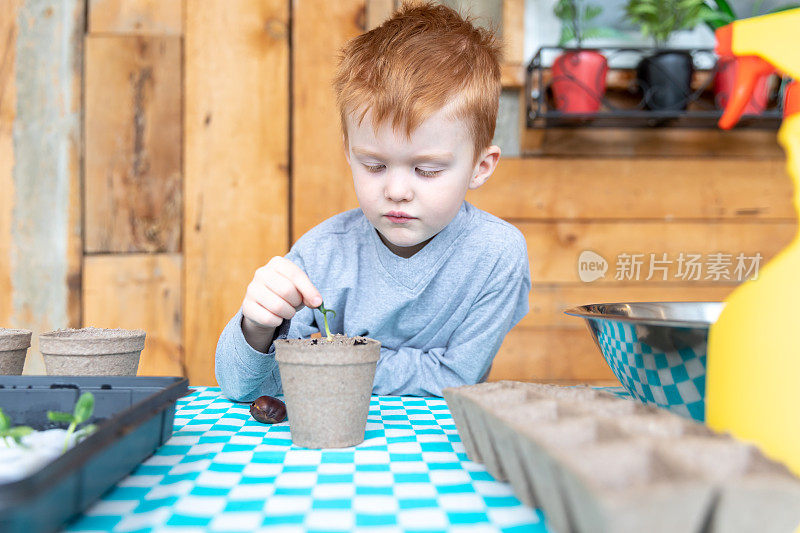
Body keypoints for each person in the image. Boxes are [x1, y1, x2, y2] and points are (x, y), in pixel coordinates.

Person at [215, 1, 531, 401]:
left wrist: (329, 358)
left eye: (427, 170)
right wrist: (256, 328)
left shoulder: (495, 254)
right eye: (374, 165)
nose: (396, 190)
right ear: (349, 153)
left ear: (480, 167)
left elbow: (456, 377)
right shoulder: (321, 253)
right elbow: (243, 386)